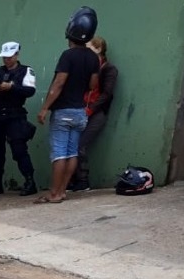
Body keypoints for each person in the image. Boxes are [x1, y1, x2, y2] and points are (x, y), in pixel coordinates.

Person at [34, 10, 100, 204]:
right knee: (72, 153)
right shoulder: (93, 58)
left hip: (63, 112)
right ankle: (62, 191)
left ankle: (53, 193)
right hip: (80, 112)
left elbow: (59, 84)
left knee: (59, 154)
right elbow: (92, 85)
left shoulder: (68, 56)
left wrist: (45, 108)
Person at [0, 41, 38, 196]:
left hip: (14, 115)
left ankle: (29, 181)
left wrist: (11, 87)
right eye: (4, 57)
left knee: (19, 149)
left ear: (16, 55)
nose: (6, 60)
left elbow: (29, 91)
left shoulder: (26, 70)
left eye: (9, 57)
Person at [69, 35, 118, 192]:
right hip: (81, 110)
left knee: (79, 145)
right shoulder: (87, 68)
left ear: (99, 49)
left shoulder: (108, 69)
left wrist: (90, 110)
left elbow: (107, 94)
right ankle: (73, 180)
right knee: (72, 146)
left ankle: (83, 180)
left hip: (95, 113)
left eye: (89, 48)